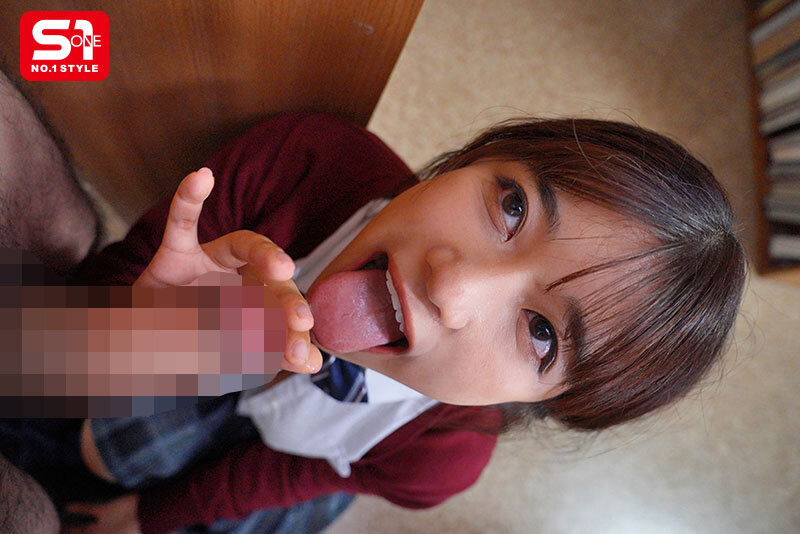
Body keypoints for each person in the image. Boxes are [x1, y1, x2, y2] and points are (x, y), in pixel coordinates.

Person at [3, 110, 747, 534]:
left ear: (546, 402)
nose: (451, 284)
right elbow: (57, 338)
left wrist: (154, 515)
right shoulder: (304, 165)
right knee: (84, 430)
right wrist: (141, 333)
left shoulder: (440, 456)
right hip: (174, 353)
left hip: (298, 452)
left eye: (542, 333)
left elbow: (281, 475)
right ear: (475, 157)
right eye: (513, 205)